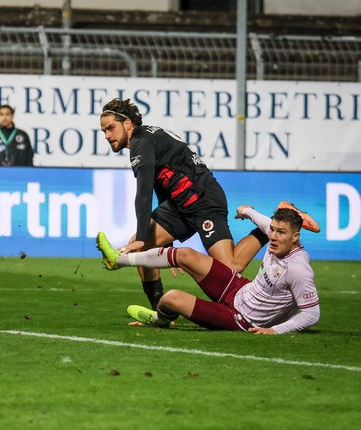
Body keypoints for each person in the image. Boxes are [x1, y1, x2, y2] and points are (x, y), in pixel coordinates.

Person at [98, 98, 320, 316]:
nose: (107, 135)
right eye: (103, 131)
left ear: (127, 124)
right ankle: (160, 312)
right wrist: (164, 240)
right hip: (179, 204)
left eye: (111, 128)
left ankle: (272, 223)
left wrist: (142, 236)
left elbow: (144, 192)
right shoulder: (146, 138)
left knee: (230, 268)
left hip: (203, 199)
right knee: (144, 247)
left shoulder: (141, 143)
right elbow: (161, 185)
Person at [95, 206, 320, 334]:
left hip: (243, 319)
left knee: (170, 298)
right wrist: (246, 210)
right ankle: (120, 260)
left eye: (281, 232)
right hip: (240, 289)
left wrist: (275, 330)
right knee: (185, 254)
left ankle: (159, 319)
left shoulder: (298, 269)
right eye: (272, 230)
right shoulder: (274, 236)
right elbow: (262, 221)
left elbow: (311, 314)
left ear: (295, 237)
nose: (273, 236)